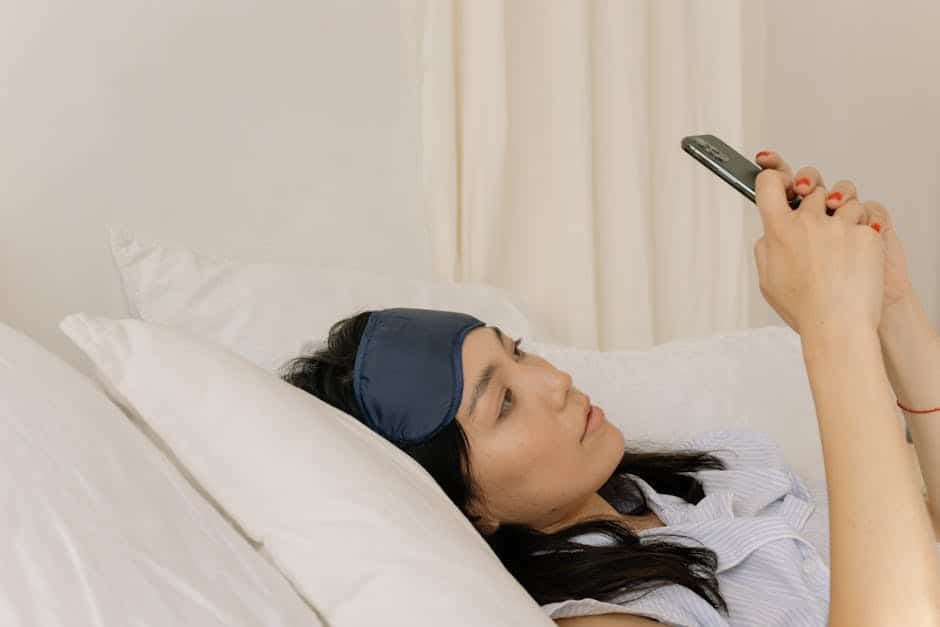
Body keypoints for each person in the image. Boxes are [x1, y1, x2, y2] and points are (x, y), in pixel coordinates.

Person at [280, 151, 940, 625]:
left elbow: (922, 537)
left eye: (522, 354)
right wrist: (834, 331)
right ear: (470, 508)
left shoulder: (719, 472)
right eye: (504, 401)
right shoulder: (607, 618)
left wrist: (895, 312)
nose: (555, 381)